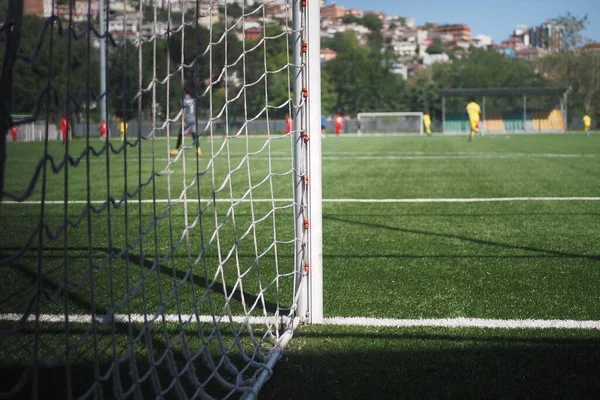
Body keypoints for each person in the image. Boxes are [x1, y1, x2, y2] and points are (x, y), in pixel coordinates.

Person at [171, 88, 202, 157]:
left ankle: (176, 150)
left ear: (185, 92)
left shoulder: (183, 100)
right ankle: (198, 150)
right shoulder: (193, 100)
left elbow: (183, 110)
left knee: (180, 134)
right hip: (193, 119)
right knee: (194, 134)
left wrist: (182, 119)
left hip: (187, 119)